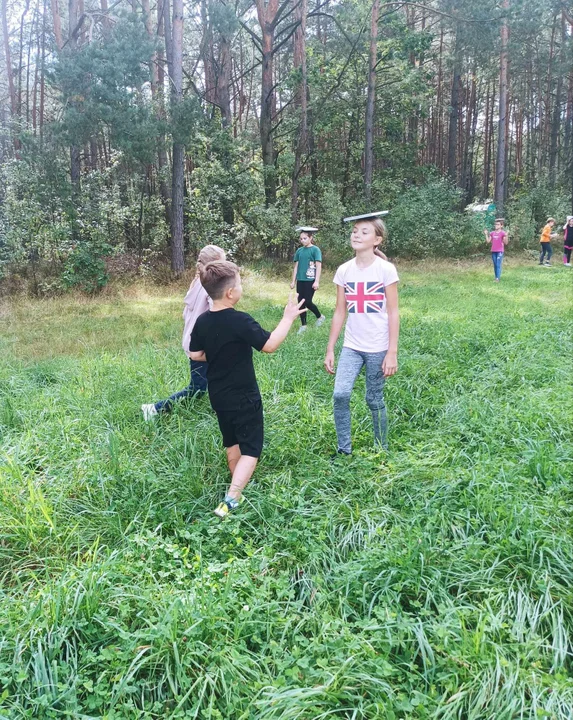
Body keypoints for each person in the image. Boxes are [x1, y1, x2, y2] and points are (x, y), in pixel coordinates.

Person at [190, 260, 304, 518]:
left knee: (231, 441)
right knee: (251, 448)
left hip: (218, 395)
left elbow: (195, 353)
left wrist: (220, 353)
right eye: (239, 284)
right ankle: (231, 498)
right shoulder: (240, 320)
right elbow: (269, 345)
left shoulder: (202, 322)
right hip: (244, 395)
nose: (241, 288)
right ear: (230, 292)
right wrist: (287, 318)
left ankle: (237, 485)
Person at [324, 211, 399, 456]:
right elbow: (339, 312)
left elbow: (393, 312)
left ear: (377, 240)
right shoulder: (344, 270)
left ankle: (381, 448)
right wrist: (330, 348)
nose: (356, 235)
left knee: (374, 399)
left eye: (364, 232)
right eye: (354, 231)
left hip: (378, 347)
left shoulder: (386, 270)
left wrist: (392, 352)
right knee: (340, 394)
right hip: (352, 346)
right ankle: (344, 449)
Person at [141, 244, 226, 420]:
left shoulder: (198, 282)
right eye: (222, 264)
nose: (225, 268)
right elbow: (216, 313)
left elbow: (186, 313)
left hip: (194, 340)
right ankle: (154, 409)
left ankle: (222, 409)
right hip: (200, 345)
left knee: (218, 376)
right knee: (198, 387)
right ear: (211, 265)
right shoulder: (210, 287)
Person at [290, 226, 326, 335]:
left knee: (308, 302)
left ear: (310, 238)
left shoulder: (315, 250)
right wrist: (293, 281)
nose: (302, 240)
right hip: (301, 280)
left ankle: (320, 317)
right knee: (301, 302)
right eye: (301, 239)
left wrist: (317, 281)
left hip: (310, 280)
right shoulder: (299, 251)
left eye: (305, 238)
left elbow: (318, 266)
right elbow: (296, 267)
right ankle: (303, 325)